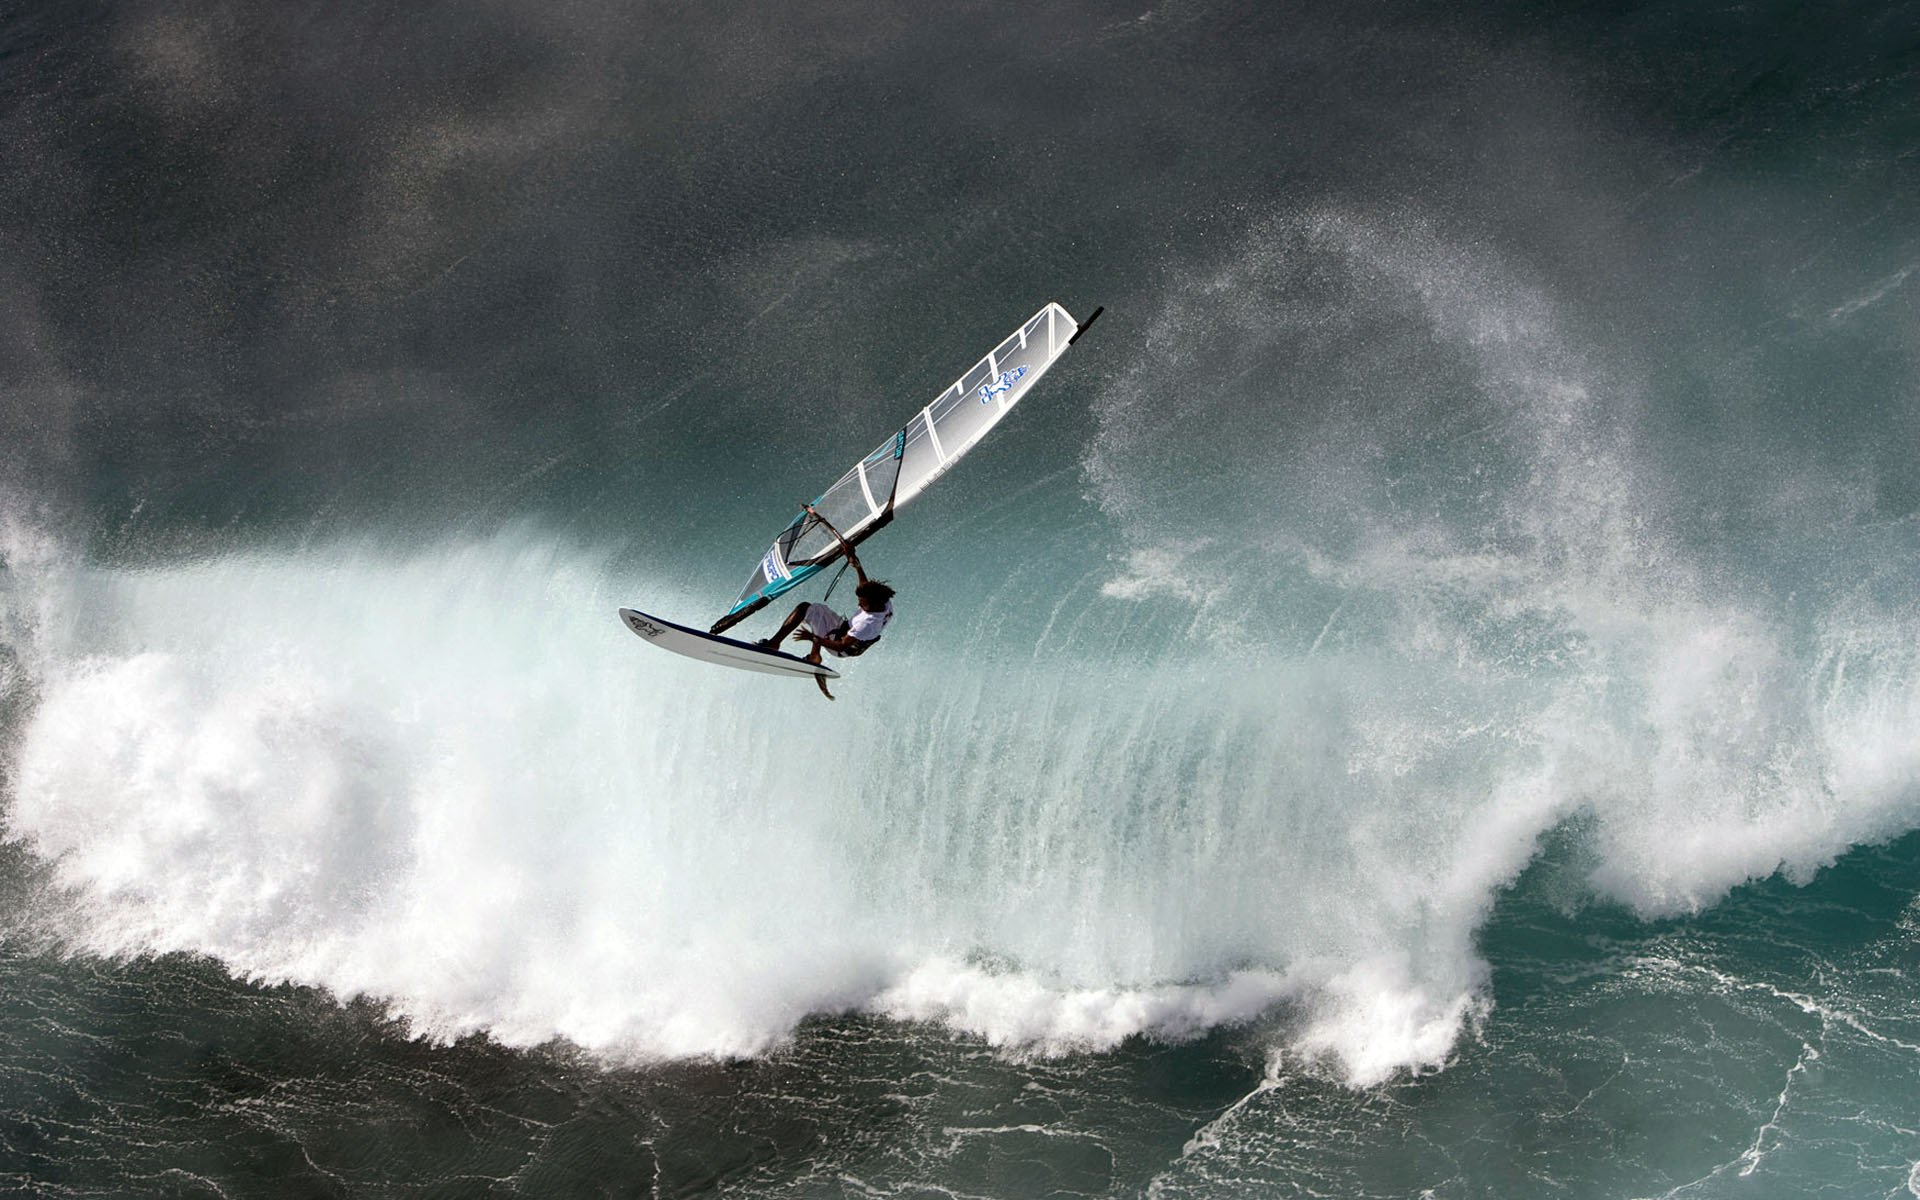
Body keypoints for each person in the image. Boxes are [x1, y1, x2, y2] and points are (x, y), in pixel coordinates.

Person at [757, 505, 895, 700]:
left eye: (862, 603)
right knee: (816, 610)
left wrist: (812, 637)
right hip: (844, 629)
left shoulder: (867, 623)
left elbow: (840, 646)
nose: (859, 604)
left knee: (805, 610)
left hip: (843, 647)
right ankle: (811, 654)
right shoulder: (883, 601)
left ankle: (782, 647)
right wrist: (854, 562)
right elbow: (865, 587)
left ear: (871, 604)